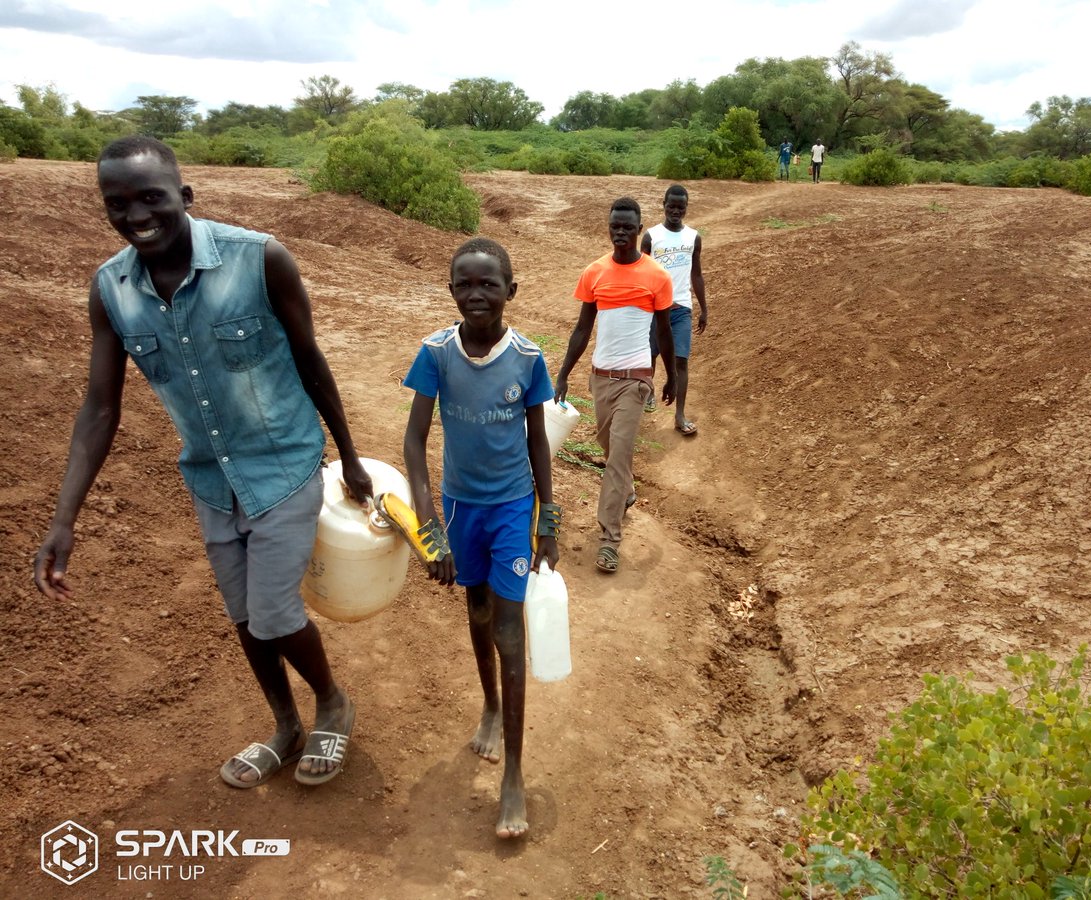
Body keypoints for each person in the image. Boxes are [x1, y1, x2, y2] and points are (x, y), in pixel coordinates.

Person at [33, 135, 370, 790]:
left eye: (151, 198)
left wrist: (350, 456)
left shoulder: (259, 259)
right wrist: (64, 519)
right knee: (244, 617)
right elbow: (99, 409)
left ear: (184, 195)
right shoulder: (111, 290)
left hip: (284, 463)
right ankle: (285, 725)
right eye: (117, 204)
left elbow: (311, 360)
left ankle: (331, 702)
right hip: (211, 479)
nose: (136, 216)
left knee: (273, 612)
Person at [399, 237, 559, 839]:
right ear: (450, 290)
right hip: (460, 507)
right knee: (477, 611)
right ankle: (490, 705)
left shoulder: (528, 359)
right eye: (464, 284)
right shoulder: (436, 353)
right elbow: (414, 441)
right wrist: (429, 528)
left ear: (510, 291)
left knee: (508, 631)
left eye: (488, 284)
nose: (476, 294)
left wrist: (547, 520)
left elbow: (538, 440)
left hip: (512, 508)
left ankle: (513, 774)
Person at [554, 197, 676, 574]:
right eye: (614, 226)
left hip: (635, 379)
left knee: (617, 456)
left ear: (639, 230)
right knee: (610, 448)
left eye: (627, 227)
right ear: (608, 228)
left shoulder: (657, 276)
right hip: (600, 378)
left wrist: (670, 375)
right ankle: (627, 490)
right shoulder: (594, 273)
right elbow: (582, 329)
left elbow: (664, 331)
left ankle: (609, 540)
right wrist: (563, 373)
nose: (620, 232)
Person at [641, 184, 707, 436]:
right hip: (653, 309)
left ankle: (679, 415)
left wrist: (703, 308)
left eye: (681, 207)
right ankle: (647, 394)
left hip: (681, 309)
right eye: (671, 206)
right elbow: (641, 273)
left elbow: (696, 274)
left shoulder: (693, 237)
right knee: (649, 356)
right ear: (664, 205)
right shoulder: (651, 236)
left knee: (681, 361)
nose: (676, 211)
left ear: (686, 207)